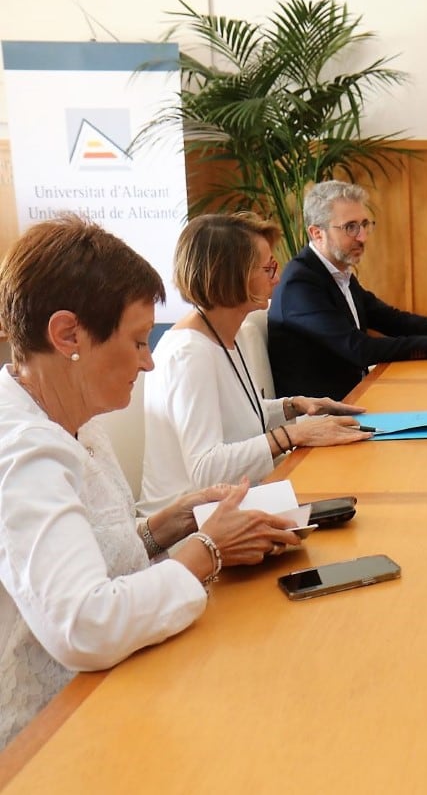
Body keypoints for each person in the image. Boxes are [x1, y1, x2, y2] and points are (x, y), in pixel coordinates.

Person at [0, 214, 305, 748]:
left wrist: (170, 524)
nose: (147, 363)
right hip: (51, 732)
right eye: (139, 341)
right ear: (68, 333)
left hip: (111, 687)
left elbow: (98, 550)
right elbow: (85, 624)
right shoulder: (22, 453)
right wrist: (208, 548)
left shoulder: (74, 418)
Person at [141, 213, 371, 513]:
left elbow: (231, 414)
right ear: (230, 275)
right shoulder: (189, 353)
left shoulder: (224, 334)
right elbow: (206, 468)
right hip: (191, 525)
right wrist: (294, 434)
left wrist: (292, 406)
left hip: (233, 502)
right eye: (268, 268)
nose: (276, 278)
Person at [268, 181, 427, 401]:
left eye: (365, 224)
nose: (363, 236)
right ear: (317, 233)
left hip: (358, 395)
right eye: (350, 227)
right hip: (326, 415)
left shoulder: (338, 273)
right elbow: (359, 348)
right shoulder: (300, 284)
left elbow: (392, 320)